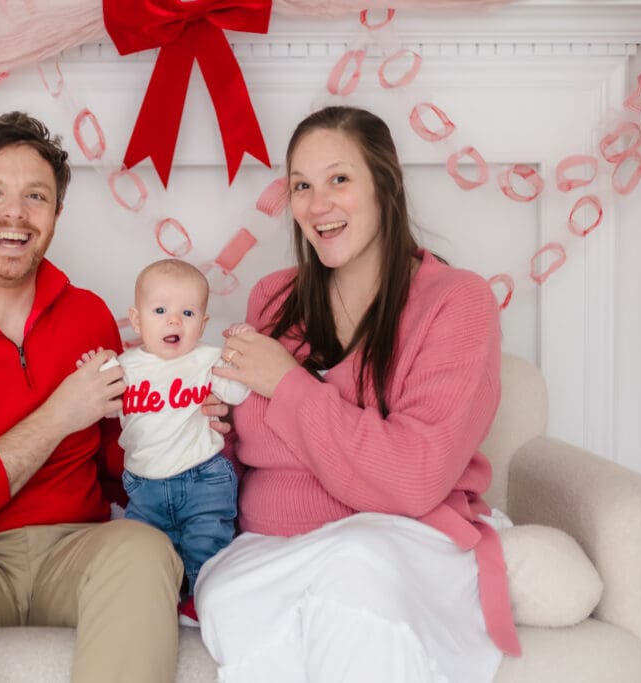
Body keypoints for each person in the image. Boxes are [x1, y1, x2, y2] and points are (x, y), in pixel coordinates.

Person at [0, 111, 226, 683]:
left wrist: (188, 428)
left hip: (77, 552)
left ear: (55, 214)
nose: (15, 213)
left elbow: (118, 459)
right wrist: (57, 416)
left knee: (143, 549)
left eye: (36, 196)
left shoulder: (88, 315)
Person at [194, 105, 521, 682]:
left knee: (355, 571)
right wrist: (209, 429)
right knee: (225, 596)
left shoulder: (457, 301)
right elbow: (246, 455)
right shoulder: (272, 300)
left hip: (398, 544)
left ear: (384, 184)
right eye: (301, 186)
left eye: (339, 179)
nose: (317, 206)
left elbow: (413, 476)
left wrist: (287, 386)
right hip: (269, 550)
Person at [78, 258, 251, 625]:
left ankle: (202, 606)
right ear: (138, 319)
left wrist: (238, 352)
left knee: (206, 544)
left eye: (187, 312)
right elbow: (102, 407)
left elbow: (235, 392)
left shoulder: (206, 359)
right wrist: (92, 370)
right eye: (160, 310)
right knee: (146, 551)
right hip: (145, 489)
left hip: (203, 477)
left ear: (203, 324)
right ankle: (162, 602)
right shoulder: (126, 366)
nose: (174, 321)